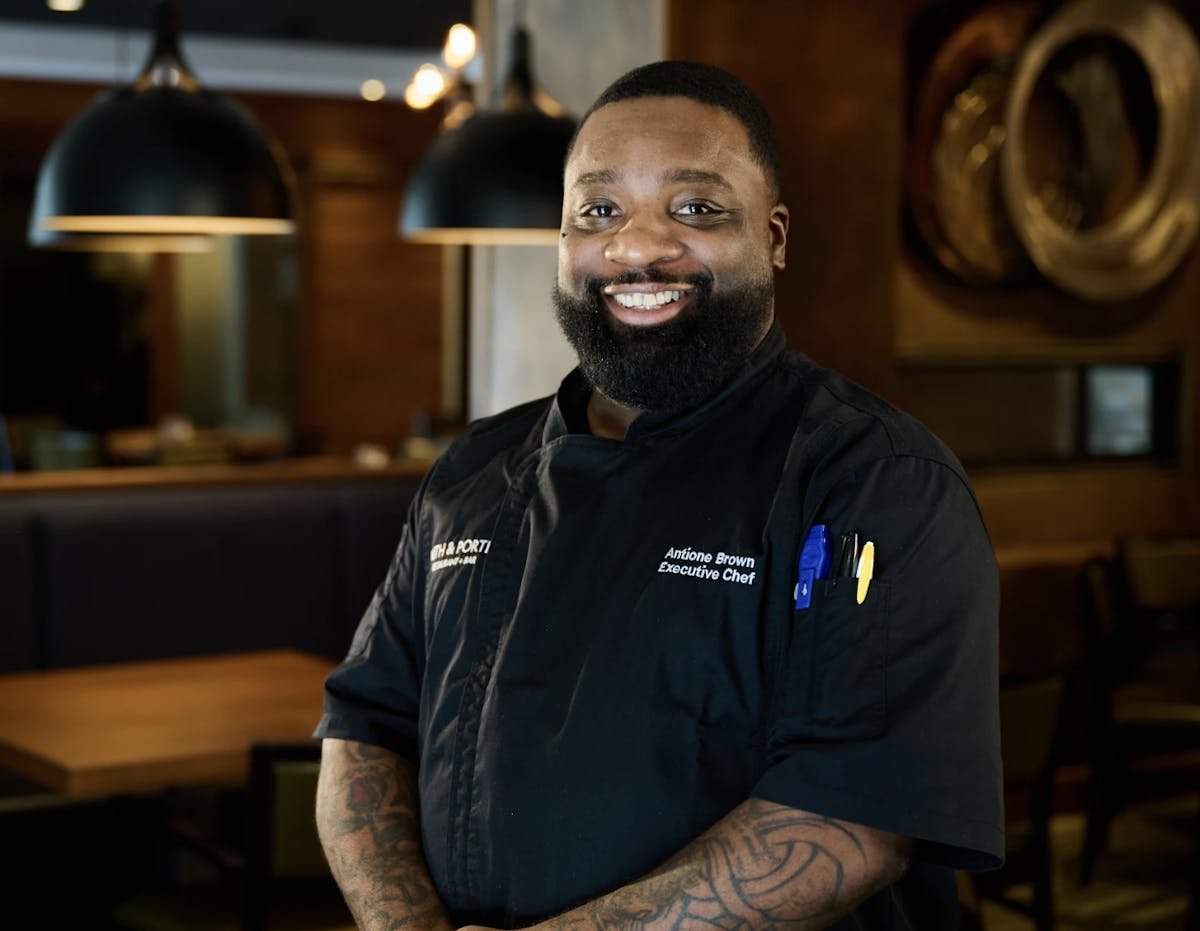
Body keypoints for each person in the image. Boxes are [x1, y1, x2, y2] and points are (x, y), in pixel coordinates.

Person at [314, 60, 1003, 931]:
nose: (637, 248)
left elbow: (851, 820)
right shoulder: (471, 471)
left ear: (774, 236)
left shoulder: (876, 479)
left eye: (697, 208)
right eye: (598, 211)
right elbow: (365, 728)